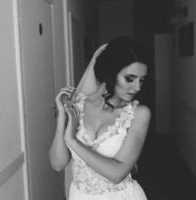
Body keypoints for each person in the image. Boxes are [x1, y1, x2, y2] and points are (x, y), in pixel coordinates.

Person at [49, 37, 151, 200]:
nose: (137, 87)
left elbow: (117, 174)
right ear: (111, 73)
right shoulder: (77, 106)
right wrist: (62, 117)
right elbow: (57, 164)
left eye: (141, 80)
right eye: (130, 78)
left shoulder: (139, 114)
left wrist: (72, 140)